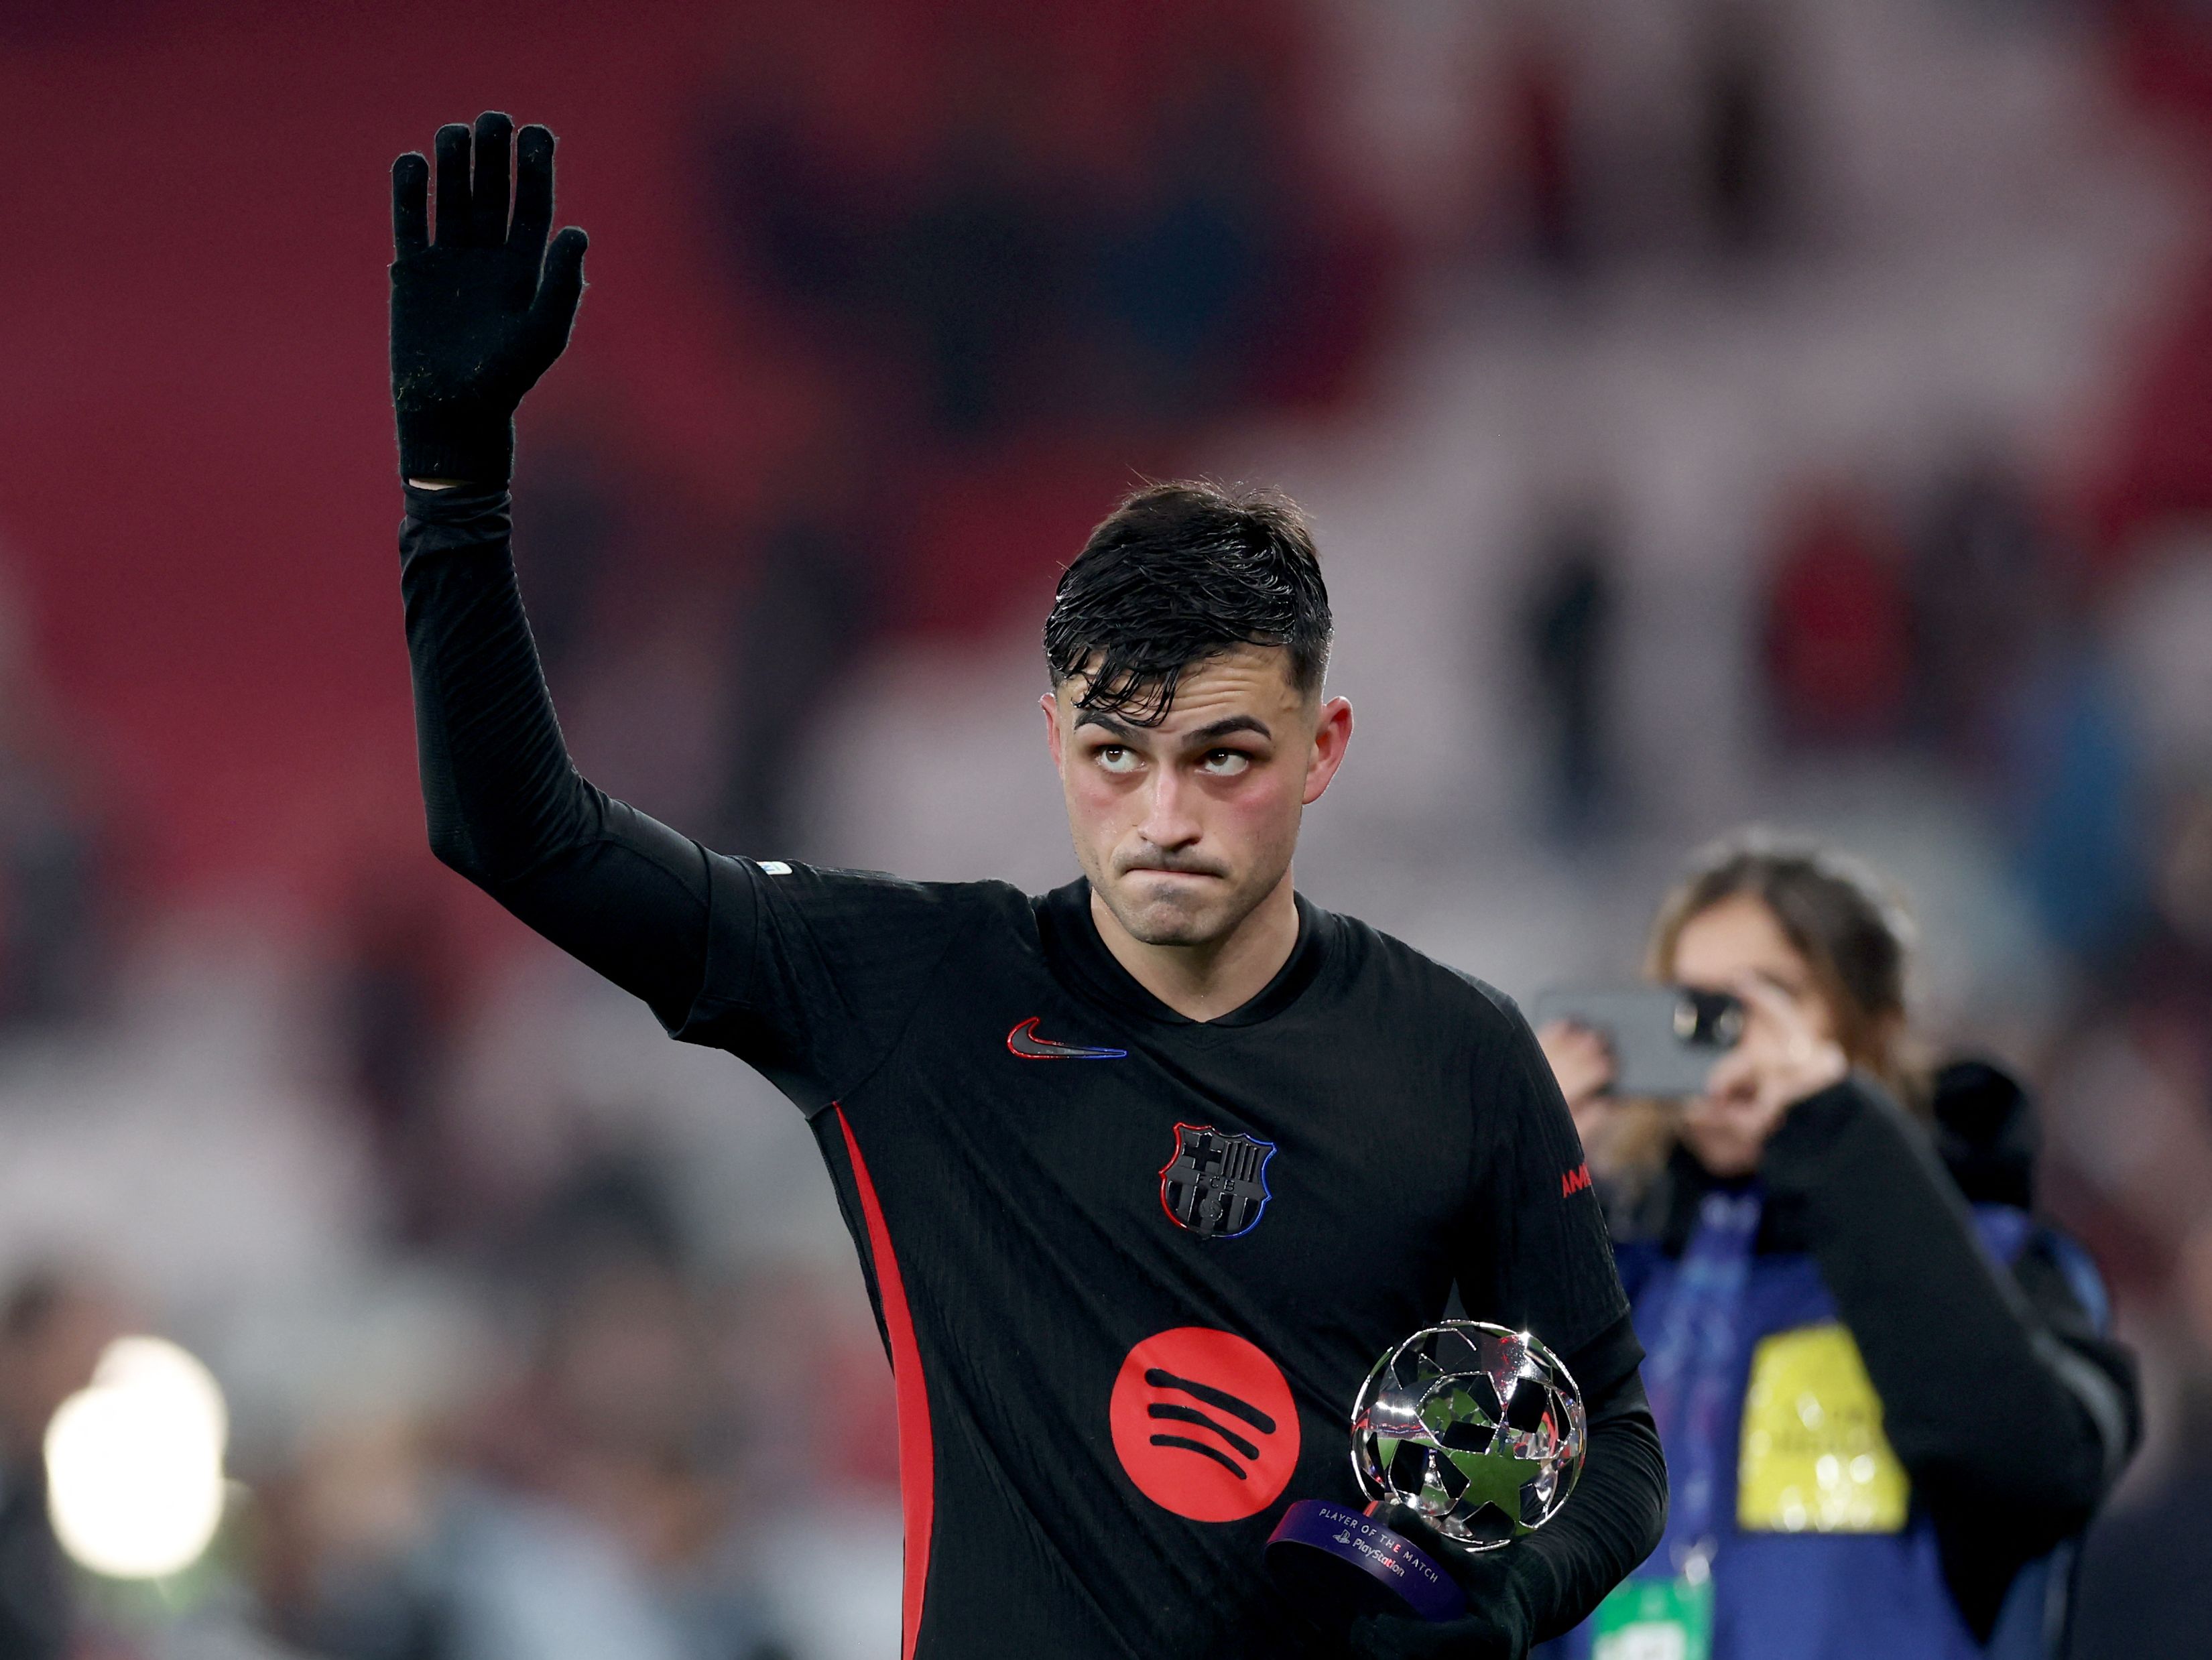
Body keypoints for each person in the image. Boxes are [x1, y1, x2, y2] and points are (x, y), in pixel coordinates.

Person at [387, 113, 1664, 1659]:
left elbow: (1613, 1446)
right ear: (1056, 739)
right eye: (1119, 753)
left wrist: (1492, 1589)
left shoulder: (1453, 1055)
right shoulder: (913, 987)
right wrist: (456, 495)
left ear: (1323, 746)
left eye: (1225, 754)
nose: (1166, 811)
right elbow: (520, 835)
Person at [1536, 835, 2138, 1660]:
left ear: (1870, 1027)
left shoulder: (2005, 1261)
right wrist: (1512, 1183)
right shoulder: (1609, 1282)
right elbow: (1440, 1502)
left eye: (1764, 998)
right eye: (1690, 1007)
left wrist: (1836, 1125)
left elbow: (2035, 1472)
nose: (1721, 1040)